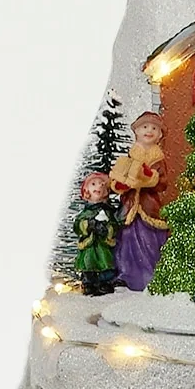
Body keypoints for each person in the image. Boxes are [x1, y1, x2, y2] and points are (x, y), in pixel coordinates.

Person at [109, 112, 169, 292]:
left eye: (154, 128)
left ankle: (150, 276)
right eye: (144, 127)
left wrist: (149, 177)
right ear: (136, 131)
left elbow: (162, 183)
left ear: (159, 135)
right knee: (126, 239)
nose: (149, 131)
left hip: (148, 205)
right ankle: (125, 274)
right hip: (129, 206)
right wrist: (121, 184)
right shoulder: (130, 156)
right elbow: (119, 177)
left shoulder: (158, 159)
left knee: (149, 239)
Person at [72, 170, 119, 295]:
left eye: (102, 185)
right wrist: (89, 225)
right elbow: (77, 225)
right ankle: (88, 282)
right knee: (88, 261)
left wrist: (107, 229)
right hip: (89, 245)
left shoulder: (107, 211)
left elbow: (115, 225)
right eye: (93, 184)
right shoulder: (86, 212)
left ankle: (105, 282)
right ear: (86, 190)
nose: (98, 187)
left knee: (105, 260)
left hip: (103, 244)